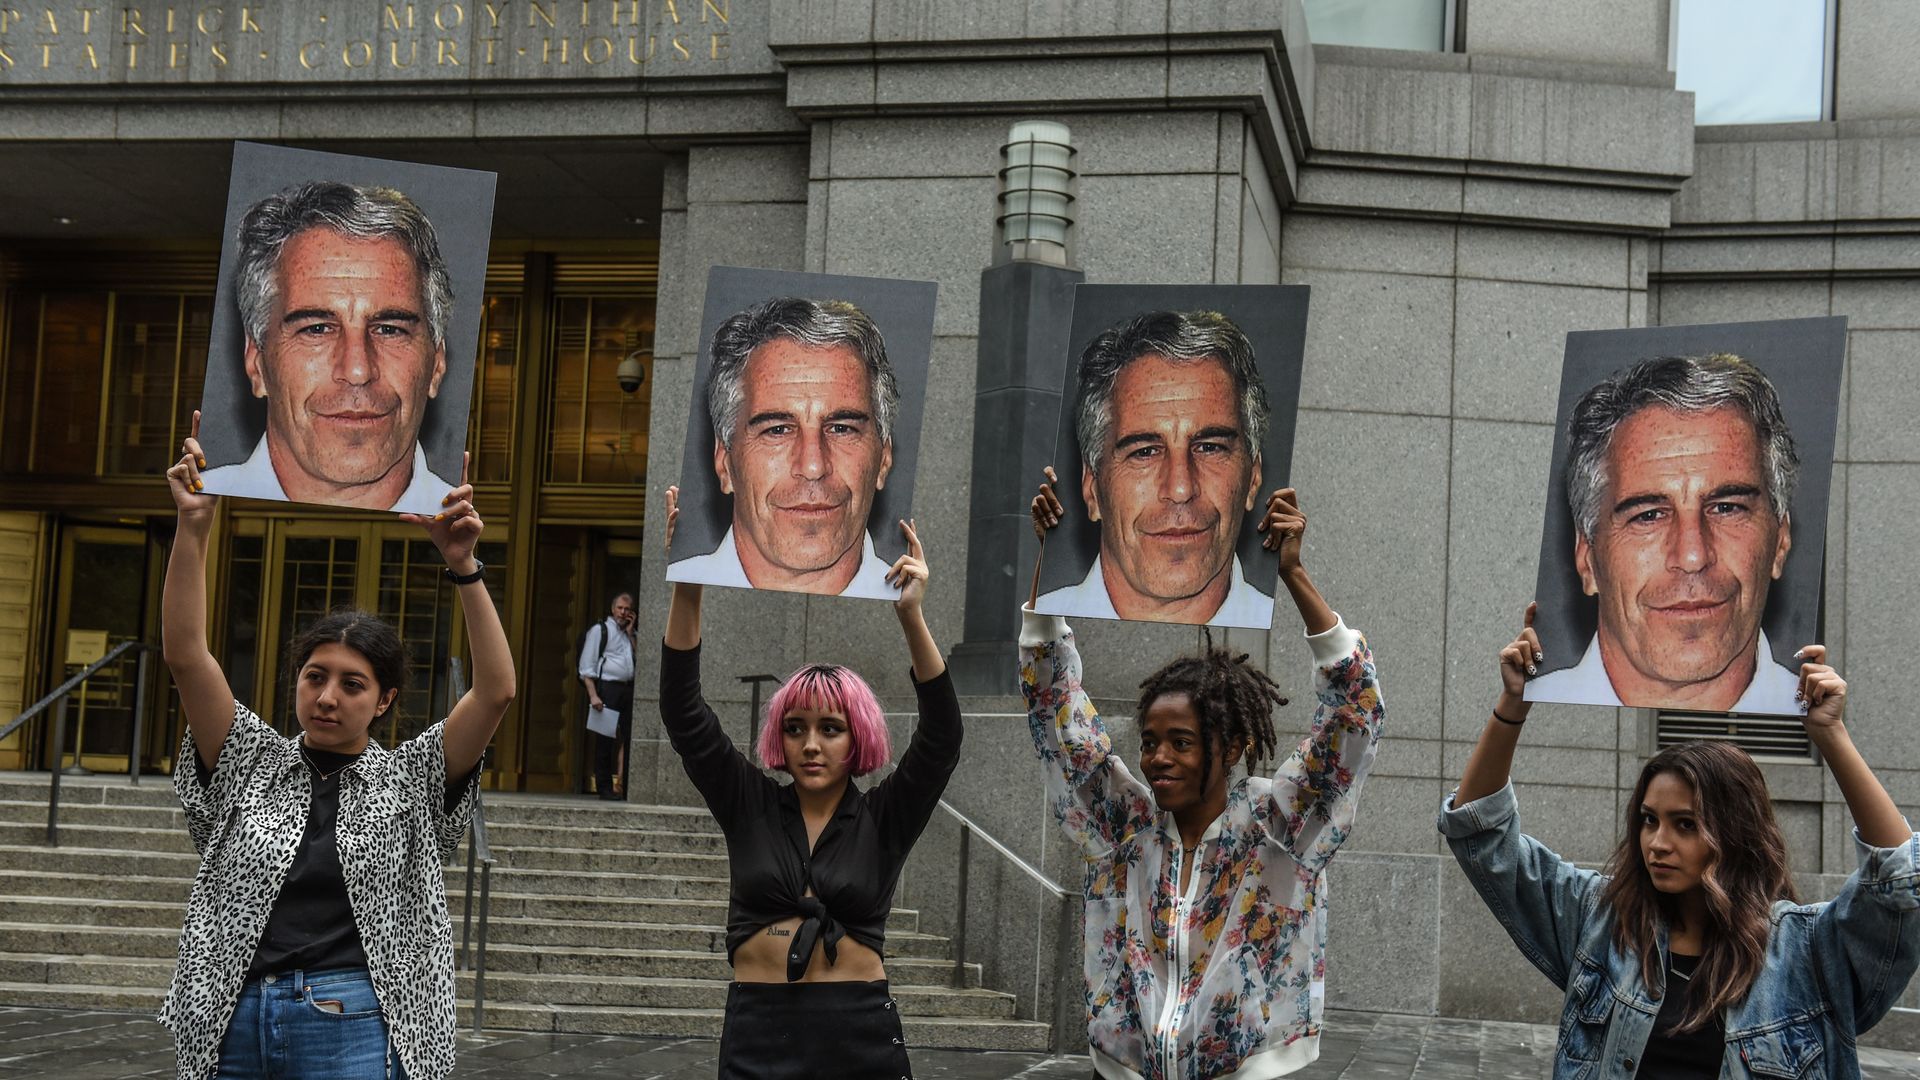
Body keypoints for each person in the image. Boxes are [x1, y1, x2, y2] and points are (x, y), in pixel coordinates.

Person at [159, 411, 514, 1080]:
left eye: (352, 685)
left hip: (352, 1022)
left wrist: (463, 566)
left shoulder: (411, 780)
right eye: (314, 677)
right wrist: (193, 528)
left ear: (382, 702)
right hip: (232, 1017)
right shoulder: (250, 760)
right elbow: (185, 656)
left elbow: (495, 692)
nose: (326, 697)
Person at [1443, 603, 1920, 1077]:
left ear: (1736, 834)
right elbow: (1483, 836)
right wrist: (1514, 704)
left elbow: (1901, 882)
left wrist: (1830, 734)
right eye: (1650, 820)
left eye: (1686, 824)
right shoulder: (1603, 923)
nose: (1658, 843)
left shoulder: (1806, 952)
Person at [1025, 468, 1385, 1079]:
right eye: (1151, 742)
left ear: (1233, 745)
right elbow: (1058, 716)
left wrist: (1293, 573)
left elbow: (1356, 713)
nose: (1158, 758)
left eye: (1182, 742)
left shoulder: (1279, 829)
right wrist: (1052, 568)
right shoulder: (1124, 831)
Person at [659, 484, 959, 1078]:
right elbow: (682, 711)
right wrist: (688, 581)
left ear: (859, 739)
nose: (812, 744)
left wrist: (911, 616)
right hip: (759, 1032)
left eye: (831, 728)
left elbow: (942, 739)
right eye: (795, 728)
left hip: (857, 1035)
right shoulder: (749, 804)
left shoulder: (883, 818)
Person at [1529, 354, 1801, 714]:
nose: (1692, 556)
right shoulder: (1515, 724)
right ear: (1587, 559)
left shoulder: (1837, 733)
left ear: (1780, 541)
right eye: (1649, 516)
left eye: (1726, 508)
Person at [199, 180, 460, 515]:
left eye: (389, 330)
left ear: (436, 363)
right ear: (256, 362)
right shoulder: (191, 513)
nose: (357, 370)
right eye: (317, 329)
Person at [1036, 309, 1275, 628]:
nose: (1180, 488)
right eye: (1144, 452)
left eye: (1209, 448)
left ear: (1253, 477)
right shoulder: (1028, 629)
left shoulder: (1301, 632)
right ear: (1092, 488)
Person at [668, 296, 901, 598]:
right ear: (725, 463)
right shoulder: (675, 596)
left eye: (841, 429)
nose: (813, 466)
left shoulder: (917, 610)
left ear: (883, 458)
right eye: (777, 430)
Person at [578, 591, 638, 800]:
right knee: (605, 740)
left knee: (629, 738)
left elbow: (636, 658)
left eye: (627, 609)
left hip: (627, 689)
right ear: (613, 609)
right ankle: (604, 787)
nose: (623, 612)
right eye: (620, 608)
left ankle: (626, 787)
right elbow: (586, 665)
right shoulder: (600, 630)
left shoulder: (629, 634)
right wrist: (593, 695)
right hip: (607, 689)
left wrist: (631, 633)